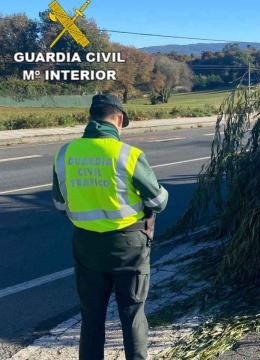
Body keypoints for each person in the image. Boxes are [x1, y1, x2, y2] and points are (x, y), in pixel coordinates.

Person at [51, 94, 169, 360]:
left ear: (90, 118)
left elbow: (59, 205)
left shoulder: (65, 154)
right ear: (118, 118)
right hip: (129, 247)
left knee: (91, 316)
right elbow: (158, 201)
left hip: (86, 245)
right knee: (132, 313)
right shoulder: (128, 154)